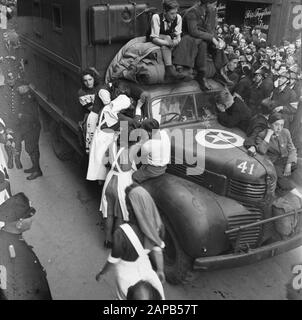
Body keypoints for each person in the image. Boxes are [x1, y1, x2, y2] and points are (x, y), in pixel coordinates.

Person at [173, 0, 230, 90]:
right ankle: (201, 76)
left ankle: (220, 71)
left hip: (201, 36)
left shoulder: (210, 12)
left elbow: (210, 29)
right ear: (207, 4)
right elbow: (193, 31)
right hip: (189, 38)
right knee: (203, 44)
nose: (216, 7)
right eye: (214, 5)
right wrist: (211, 38)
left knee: (216, 45)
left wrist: (218, 40)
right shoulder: (191, 12)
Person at [100, 121, 139, 248]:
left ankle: (107, 240)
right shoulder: (131, 150)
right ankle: (117, 243)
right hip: (122, 184)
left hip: (110, 180)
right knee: (120, 216)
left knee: (109, 214)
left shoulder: (111, 145)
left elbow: (106, 160)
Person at [254, 113, 302, 199]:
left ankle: (280, 189)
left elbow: (292, 149)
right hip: (273, 163)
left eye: (281, 125)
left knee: (300, 163)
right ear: (269, 124)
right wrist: (268, 135)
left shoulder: (285, 132)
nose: (279, 128)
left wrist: (289, 163)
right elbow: (261, 151)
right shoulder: (262, 135)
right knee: (278, 174)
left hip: (286, 160)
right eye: (276, 124)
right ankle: (298, 194)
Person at [148, 0, 185, 80]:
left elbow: (178, 36)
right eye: (172, 13)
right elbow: (154, 38)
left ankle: (178, 68)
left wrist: (176, 41)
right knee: (167, 38)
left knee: (181, 40)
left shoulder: (178, 18)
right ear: (165, 11)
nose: (174, 16)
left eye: (176, 12)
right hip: (156, 38)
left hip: (168, 39)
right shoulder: (156, 17)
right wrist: (168, 43)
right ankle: (169, 69)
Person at [14, 85, 42, 180]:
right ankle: (35, 168)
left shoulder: (30, 99)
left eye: (19, 87)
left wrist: (21, 116)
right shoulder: (25, 96)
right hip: (28, 127)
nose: (18, 89)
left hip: (32, 127)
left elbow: (33, 116)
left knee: (31, 148)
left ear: (25, 87)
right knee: (31, 148)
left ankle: (37, 171)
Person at [132, 119, 171, 184]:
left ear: (148, 132)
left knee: (134, 176)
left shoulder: (148, 145)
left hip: (153, 170)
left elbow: (138, 154)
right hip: (164, 166)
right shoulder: (165, 132)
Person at [78, 68, 100, 153]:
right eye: (85, 80)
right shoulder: (82, 92)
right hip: (91, 116)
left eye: (90, 79)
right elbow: (93, 109)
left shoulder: (99, 87)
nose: (88, 83)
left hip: (102, 112)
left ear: (94, 79)